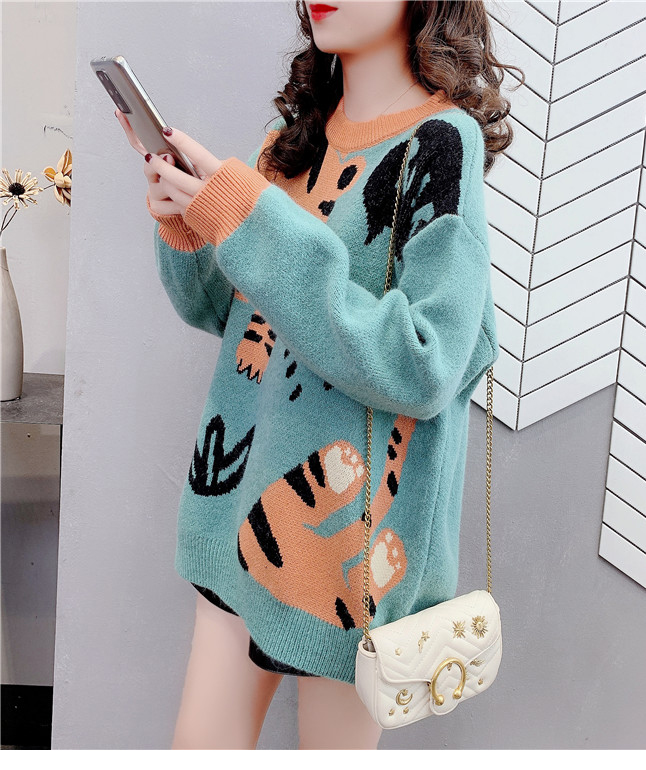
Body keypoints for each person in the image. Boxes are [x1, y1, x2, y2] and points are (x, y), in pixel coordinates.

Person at [116, 0, 523, 751]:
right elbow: (226, 313)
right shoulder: (293, 138)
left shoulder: (439, 142)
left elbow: (424, 362)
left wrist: (249, 219)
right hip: (240, 521)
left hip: (349, 562)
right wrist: (187, 216)